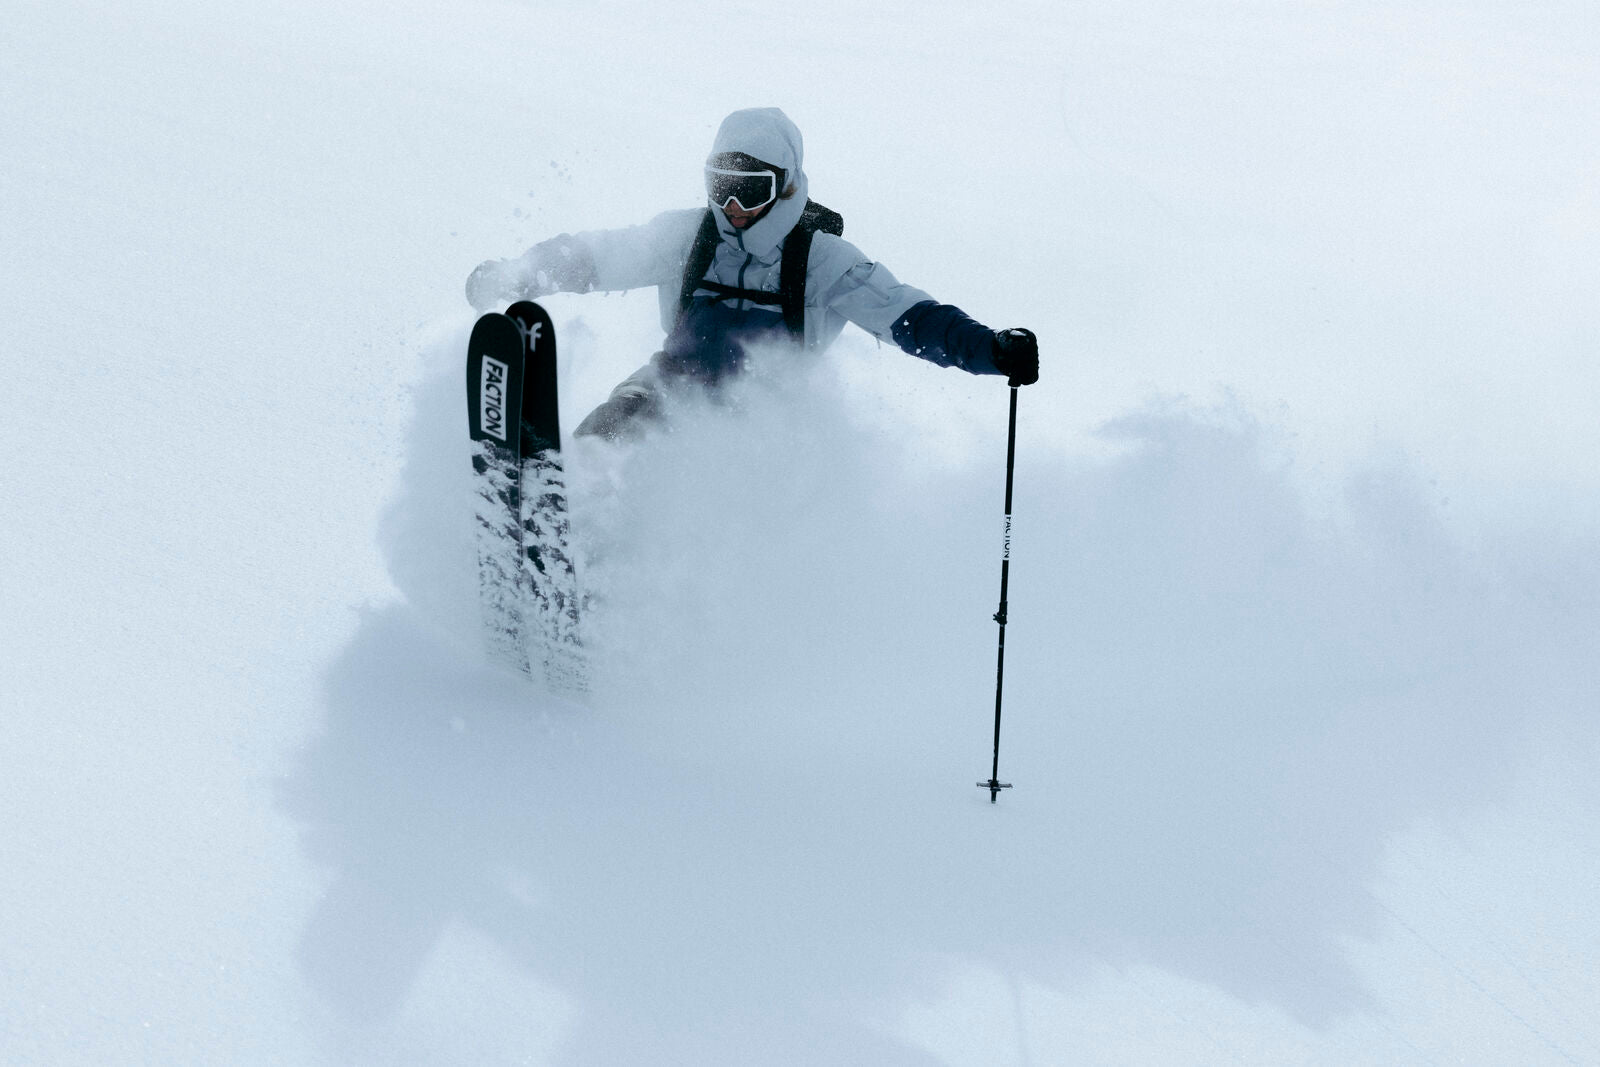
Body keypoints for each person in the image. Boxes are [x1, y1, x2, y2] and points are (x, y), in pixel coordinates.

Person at [466, 107, 1039, 441]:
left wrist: (990, 350)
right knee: (606, 439)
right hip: (670, 385)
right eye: (722, 186)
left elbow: (908, 317)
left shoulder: (822, 261)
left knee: (689, 500)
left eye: (751, 189)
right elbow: (600, 256)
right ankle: (566, 529)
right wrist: (520, 274)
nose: (734, 206)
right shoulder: (687, 238)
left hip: (761, 424)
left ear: (786, 185)